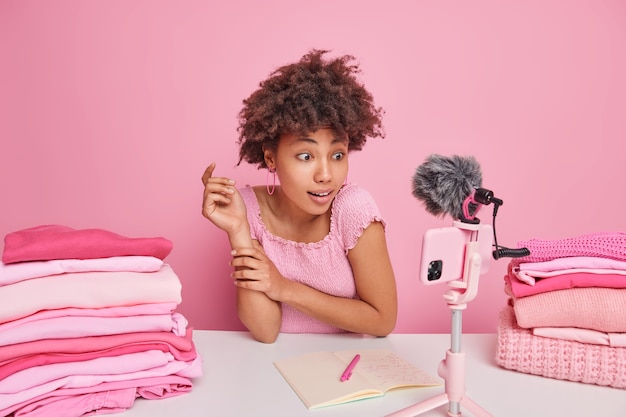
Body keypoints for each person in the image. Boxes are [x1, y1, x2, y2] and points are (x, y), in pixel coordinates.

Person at [201, 49, 397, 343]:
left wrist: (284, 288)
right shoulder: (246, 209)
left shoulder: (353, 210)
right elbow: (266, 332)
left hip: (347, 369)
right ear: (271, 158)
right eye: (306, 156)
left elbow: (383, 321)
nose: (326, 174)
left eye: (337, 154)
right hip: (275, 369)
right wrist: (238, 230)